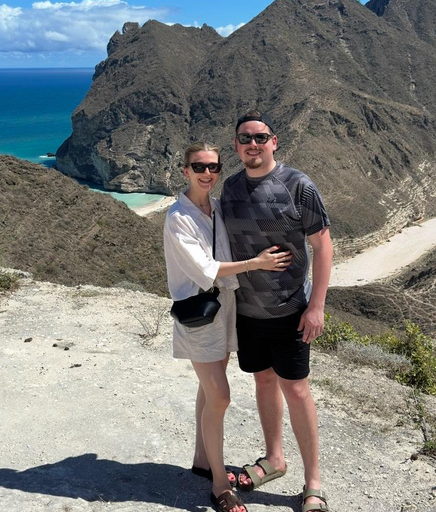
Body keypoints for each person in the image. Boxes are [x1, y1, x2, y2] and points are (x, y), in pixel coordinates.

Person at [163, 141, 293, 512]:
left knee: (209, 388)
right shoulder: (178, 217)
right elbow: (208, 268)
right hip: (199, 313)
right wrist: (258, 263)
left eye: (214, 167)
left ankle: (202, 460)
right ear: (184, 170)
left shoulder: (217, 209)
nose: (207, 173)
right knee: (220, 394)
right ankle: (220, 485)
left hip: (225, 308)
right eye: (199, 166)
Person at [220, 111, 333, 512]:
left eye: (260, 137)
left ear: (274, 141)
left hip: (291, 310)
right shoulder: (230, 190)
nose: (253, 144)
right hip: (248, 312)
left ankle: (313, 481)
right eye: (245, 138)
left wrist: (317, 306)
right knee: (263, 382)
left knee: (297, 389)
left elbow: (323, 246)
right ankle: (274, 458)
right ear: (235, 146)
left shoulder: (298, 185)